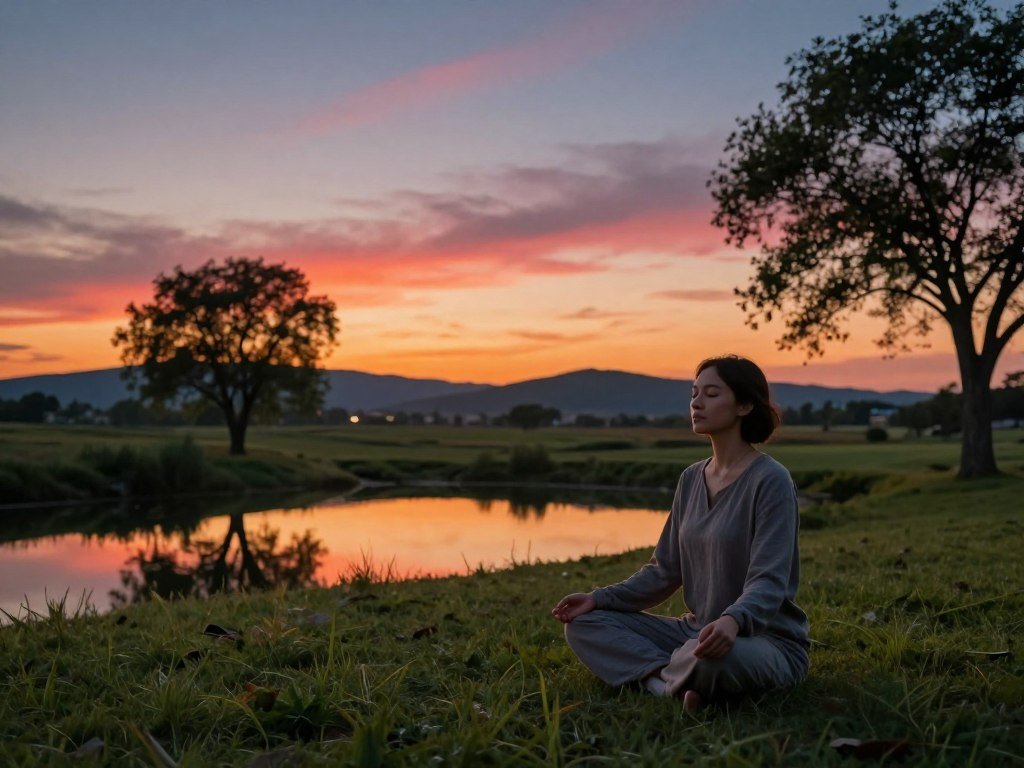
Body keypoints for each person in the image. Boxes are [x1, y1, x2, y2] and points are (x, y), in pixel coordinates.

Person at [551, 355, 808, 713]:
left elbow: (769, 581)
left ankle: (667, 675)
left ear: (745, 405)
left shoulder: (771, 480)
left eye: (712, 393)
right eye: (694, 393)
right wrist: (598, 599)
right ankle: (667, 684)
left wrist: (733, 621)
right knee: (583, 625)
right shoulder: (691, 479)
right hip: (694, 632)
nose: (696, 403)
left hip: (760, 639)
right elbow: (663, 571)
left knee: (714, 658)